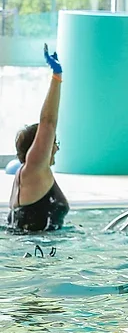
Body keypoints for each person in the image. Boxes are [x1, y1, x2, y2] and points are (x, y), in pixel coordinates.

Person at [8, 45, 69, 232]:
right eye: (53, 142)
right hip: (35, 255)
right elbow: (48, 122)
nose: (56, 148)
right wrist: (57, 77)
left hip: (30, 249)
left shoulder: (27, 175)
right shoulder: (34, 169)